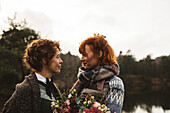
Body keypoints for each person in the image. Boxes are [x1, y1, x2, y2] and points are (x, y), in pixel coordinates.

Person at [2, 39, 63, 113]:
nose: (61, 61)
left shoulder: (53, 89)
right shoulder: (26, 89)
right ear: (44, 59)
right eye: (57, 57)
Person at [71, 34, 124, 113]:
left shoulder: (115, 83)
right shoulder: (83, 80)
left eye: (85, 55)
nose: (81, 59)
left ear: (99, 54)